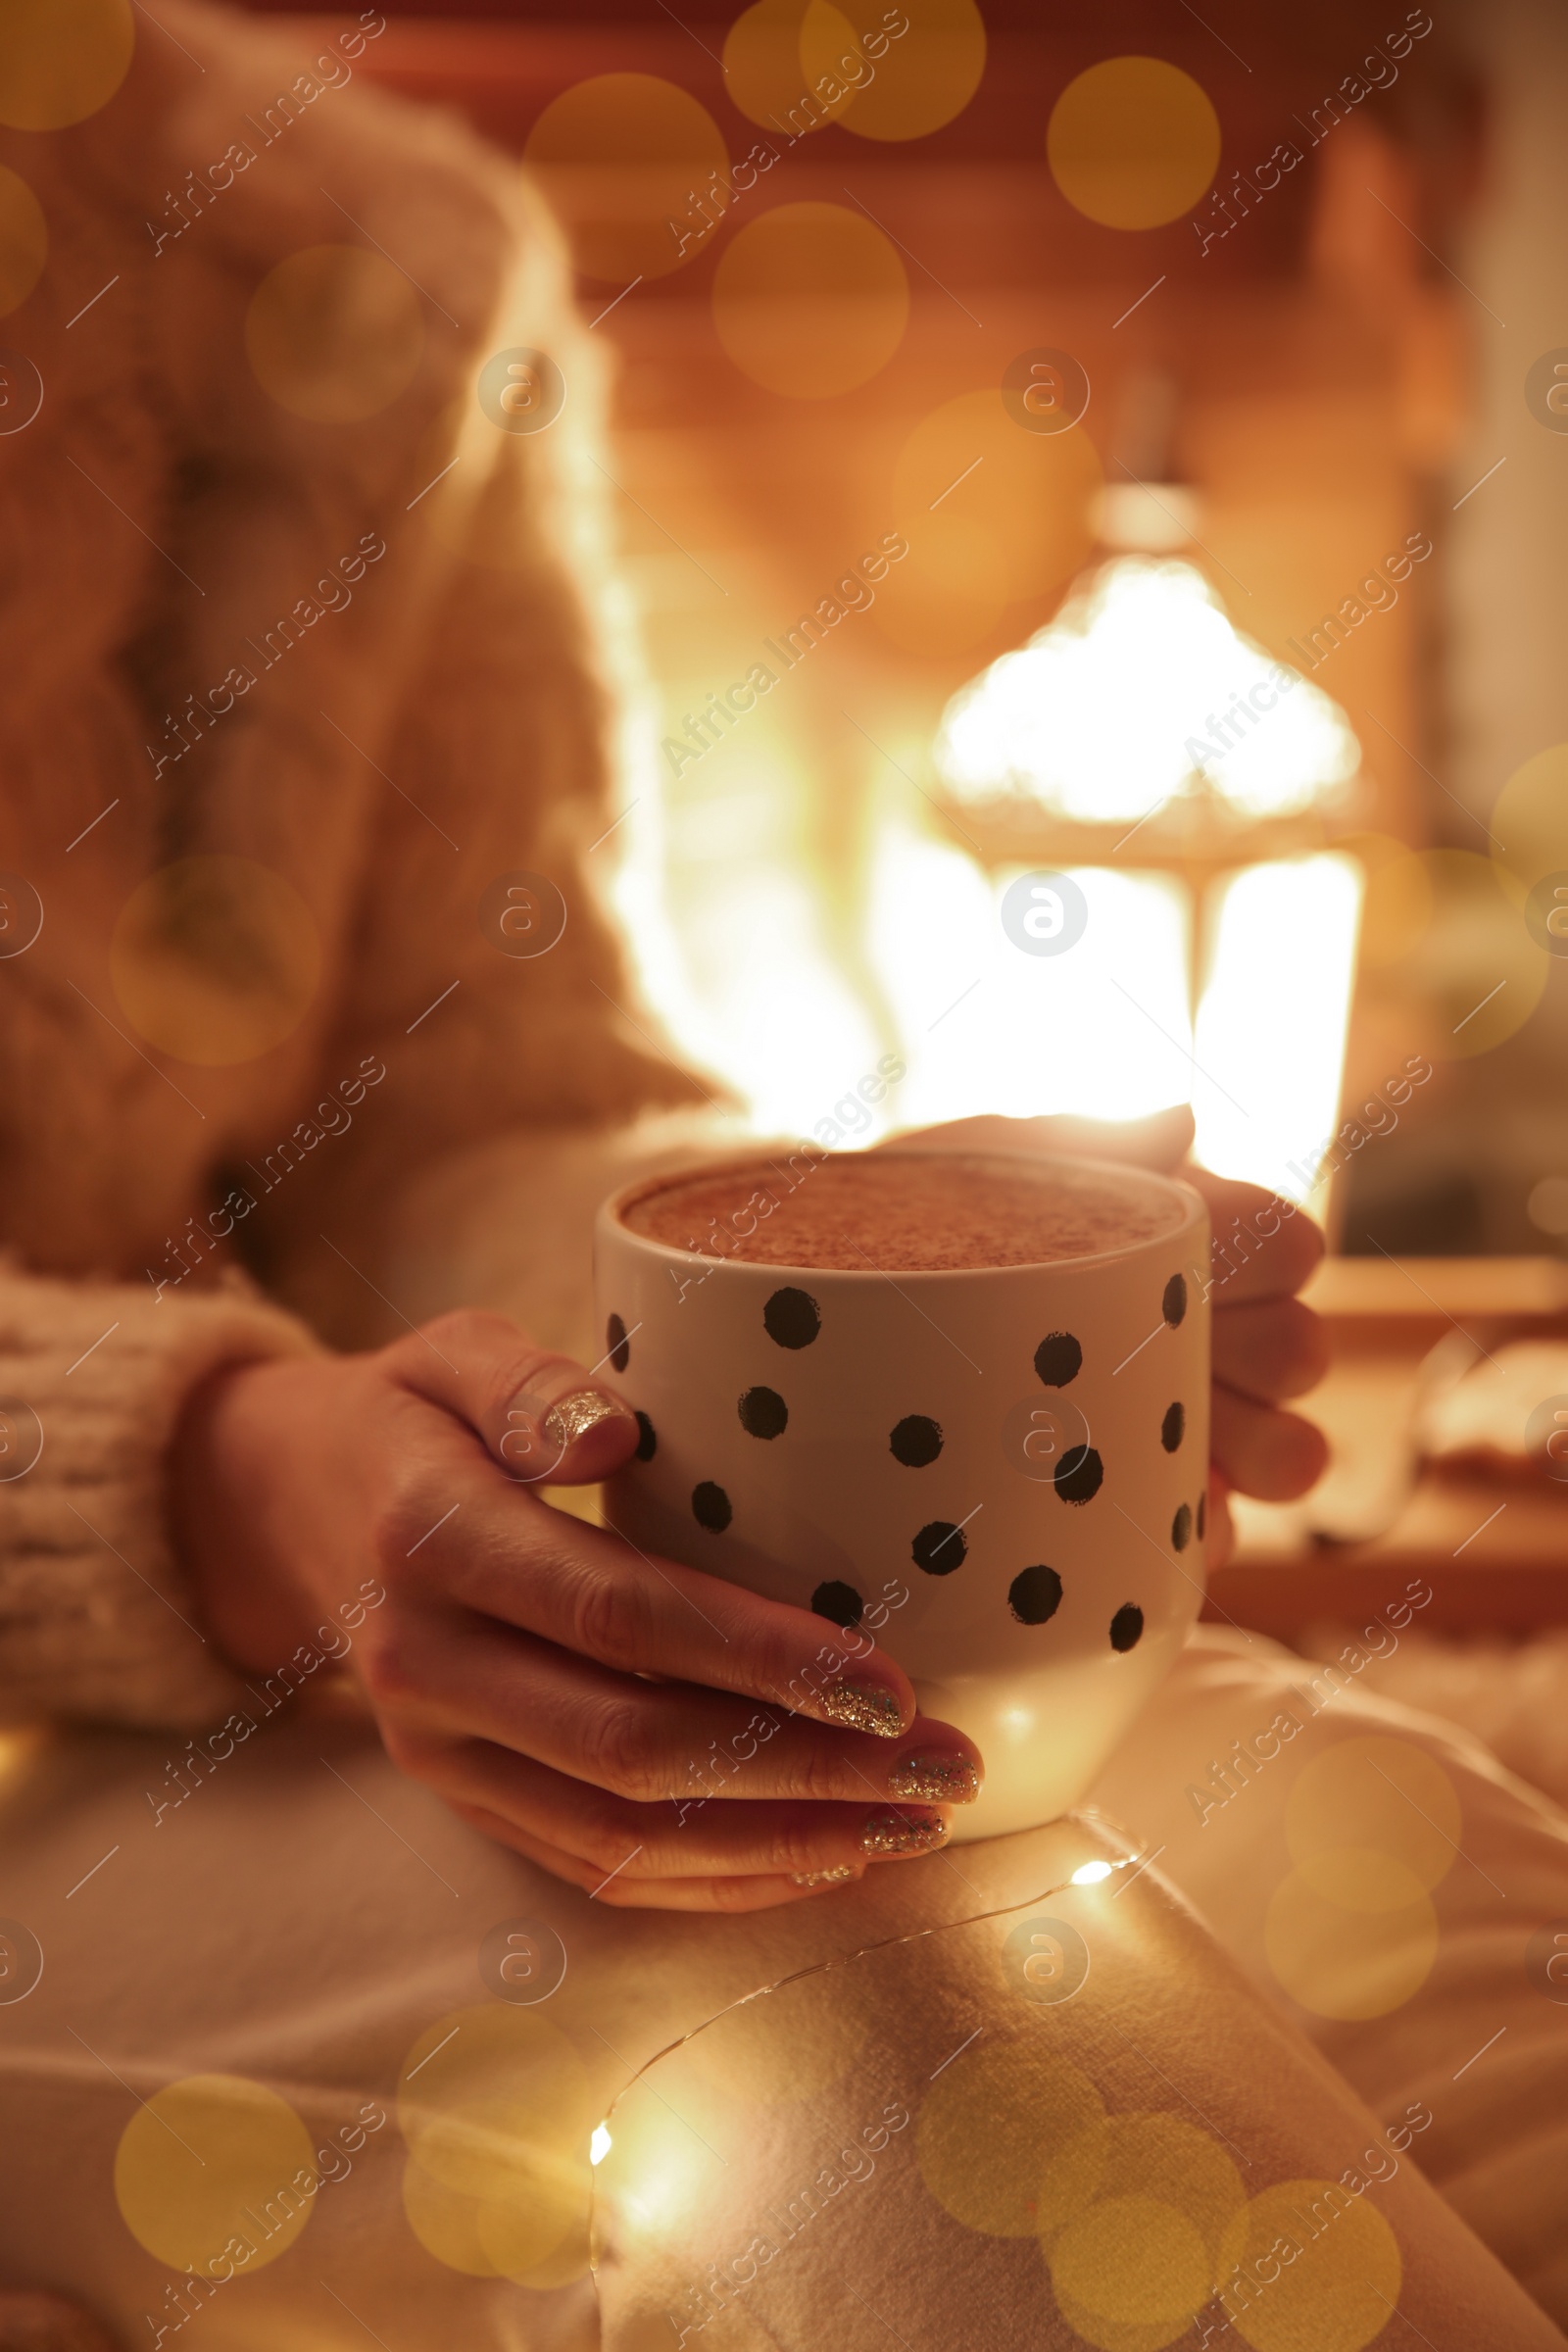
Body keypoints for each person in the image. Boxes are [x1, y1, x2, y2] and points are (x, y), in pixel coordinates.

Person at [1, 5, 1565, 2346]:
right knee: (908, 1985)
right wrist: (219, 1482)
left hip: (283, 1670)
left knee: (1424, 1875)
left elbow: (477, 1122)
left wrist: (835, 1278)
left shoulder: (374, 263)